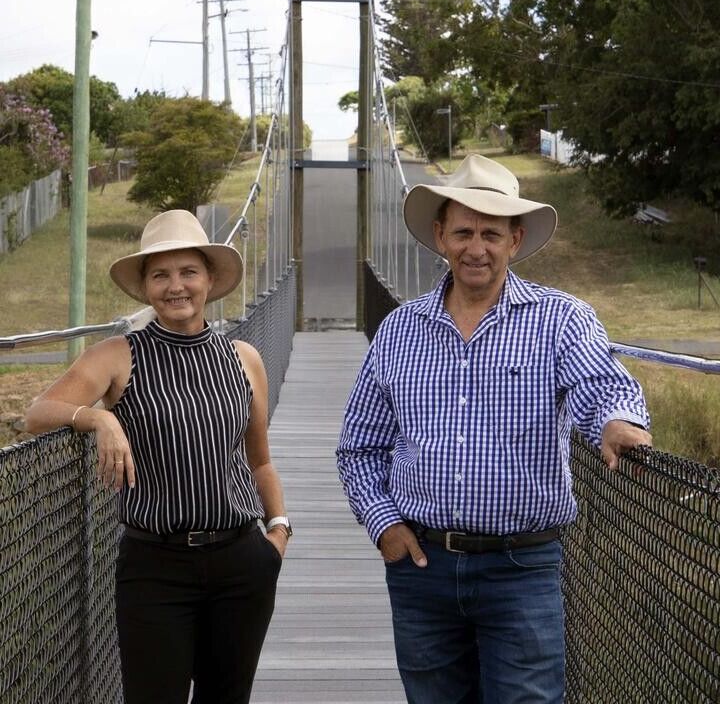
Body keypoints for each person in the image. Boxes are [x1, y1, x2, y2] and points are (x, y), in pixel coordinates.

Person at [336, 155, 651, 704]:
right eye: (462, 232)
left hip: (522, 567)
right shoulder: (396, 331)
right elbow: (359, 447)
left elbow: (598, 382)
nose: (475, 247)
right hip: (421, 567)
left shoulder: (562, 319)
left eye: (490, 233)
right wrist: (384, 525)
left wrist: (617, 421)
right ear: (440, 236)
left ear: (515, 239)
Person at [25, 210, 292, 704]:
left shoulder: (244, 359)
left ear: (210, 281)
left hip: (241, 562)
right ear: (145, 287)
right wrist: (101, 418)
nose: (176, 287)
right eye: (160, 275)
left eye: (188, 272)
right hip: (155, 567)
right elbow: (37, 413)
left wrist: (278, 533)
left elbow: (260, 461)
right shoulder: (117, 355)